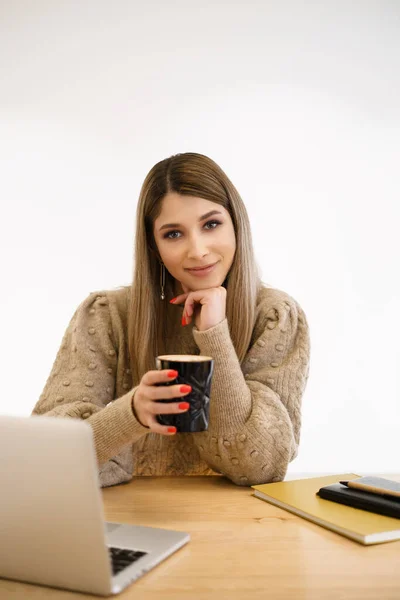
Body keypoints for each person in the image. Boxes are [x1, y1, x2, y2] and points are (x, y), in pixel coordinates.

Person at [32, 152, 310, 488]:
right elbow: (43, 460)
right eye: (173, 234)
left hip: (237, 527)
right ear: (154, 246)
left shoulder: (275, 317)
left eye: (211, 224)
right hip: (126, 523)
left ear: (237, 224)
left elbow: (260, 467)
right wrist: (132, 414)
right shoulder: (107, 315)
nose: (198, 250)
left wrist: (214, 336)